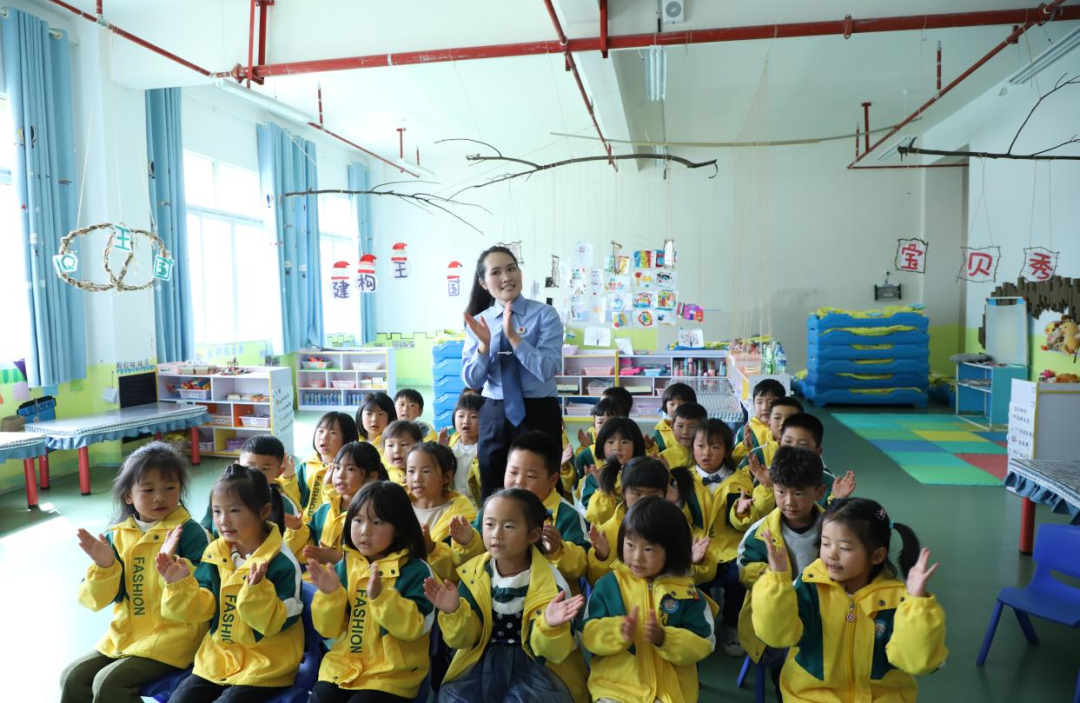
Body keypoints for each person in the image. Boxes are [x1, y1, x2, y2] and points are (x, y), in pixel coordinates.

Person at [753, 497, 947, 702]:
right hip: (810, 696)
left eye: (844, 548)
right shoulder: (810, 586)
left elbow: (917, 662)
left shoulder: (897, 600)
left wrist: (918, 605)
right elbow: (776, 635)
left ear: (877, 556)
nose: (831, 555)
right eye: (825, 543)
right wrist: (776, 583)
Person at [61, 443, 209, 703]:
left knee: (109, 683)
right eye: (148, 490)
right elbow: (93, 601)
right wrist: (105, 567)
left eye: (170, 488)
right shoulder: (115, 536)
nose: (160, 497)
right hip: (126, 636)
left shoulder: (189, 532)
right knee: (73, 677)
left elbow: (206, 598)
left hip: (176, 638)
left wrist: (180, 577)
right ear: (128, 496)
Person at [424, 488, 589, 703]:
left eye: (509, 526)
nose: (496, 534)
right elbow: (465, 640)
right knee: (454, 698)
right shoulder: (473, 575)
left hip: (538, 668)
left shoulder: (550, 583)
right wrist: (454, 611)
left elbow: (553, 653)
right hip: (481, 662)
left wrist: (550, 626)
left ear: (533, 535)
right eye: (489, 524)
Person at [157, 466, 304, 702]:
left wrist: (257, 594)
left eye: (234, 510)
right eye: (217, 511)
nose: (223, 521)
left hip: (266, 663)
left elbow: (277, 623)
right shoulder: (216, 553)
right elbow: (204, 609)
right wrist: (179, 585)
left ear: (265, 511)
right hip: (219, 656)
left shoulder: (282, 562)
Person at [307, 482, 435, 703]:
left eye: (377, 522)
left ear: (399, 528)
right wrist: (330, 595)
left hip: (391, 675)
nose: (365, 531)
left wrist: (381, 598)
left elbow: (416, 628)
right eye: (357, 520)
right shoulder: (344, 566)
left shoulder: (417, 571)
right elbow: (328, 631)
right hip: (342, 667)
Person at [582, 497, 717, 703]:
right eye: (630, 544)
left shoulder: (687, 593)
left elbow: (703, 642)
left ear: (671, 551)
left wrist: (664, 638)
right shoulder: (608, 586)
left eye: (648, 549)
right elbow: (588, 635)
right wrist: (617, 631)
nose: (637, 557)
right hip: (615, 687)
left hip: (670, 692)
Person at [462, 246, 564, 499]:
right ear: (483, 282)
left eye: (511, 269)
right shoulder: (480, 321)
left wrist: (514, 338)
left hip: (538, 411)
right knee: (493, 485)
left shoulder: (545, 315)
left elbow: (548, 369)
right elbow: (472, 380)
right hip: (495, 413)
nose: (506, 277)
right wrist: (484, 346)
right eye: (496, 272)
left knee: (540, 488)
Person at [450, 431, 589, 595]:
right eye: (513, 472)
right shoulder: (491, 510)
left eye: (530, 476)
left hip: (549, 600)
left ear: (552, 480)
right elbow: (476, 560)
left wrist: (558, 550)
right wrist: (468, 542)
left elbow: (582, 566)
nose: (519, 482)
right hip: (495, 596)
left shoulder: (567, 515)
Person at [736, 446, 830, 673]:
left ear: (819, 493)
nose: (789, 502)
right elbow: (744, 570)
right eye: (781, 492)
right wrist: (771, 575)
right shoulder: (761, 532)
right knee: (781, 661)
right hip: (777, 610)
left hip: (822, 611)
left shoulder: (832, 529)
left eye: (798, 494)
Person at [687, 419, 753, 656]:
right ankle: (698, 625)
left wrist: (740, 513)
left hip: (730, 547)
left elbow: (741, 523)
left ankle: (731, 623)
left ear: (726, 450)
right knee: (693, 581)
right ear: (692, 447)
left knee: (739, 579)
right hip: (695, 545)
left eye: (715, 447)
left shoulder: (740, 481)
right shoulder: (683, 480)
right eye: (700, 446)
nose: (706, 453)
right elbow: (682, 520)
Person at [290, 441, 384, 568]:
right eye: (337, 468)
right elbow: (303, 554)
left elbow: (376, 565)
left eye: (350, 469)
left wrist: (337, 559)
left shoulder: (375, 516)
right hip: (318, 576)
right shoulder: (324, 510)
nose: (340, 475)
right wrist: (296, 529)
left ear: (371, 477)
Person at [585, 458, 670, 584]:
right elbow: (595, 581)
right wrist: (602, 557)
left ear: (665, 493)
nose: (644, 501)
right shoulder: (605, 533)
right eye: (637, 494)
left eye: (653, 495)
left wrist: (695, 562)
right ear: (623, 492)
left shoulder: (672, 525)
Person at [406, 441, 477, 583]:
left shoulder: (461, 517)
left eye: (426, 471)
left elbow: (461, 570)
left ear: (447, 477)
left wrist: (432, 549)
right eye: (411, 471)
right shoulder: (399, 508)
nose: (417, 478)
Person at [289, 411, 359, 522]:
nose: (324, 437)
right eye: (320, 431)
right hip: (304, 525)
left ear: (347, 438)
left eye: (333, 433)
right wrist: (288, 478)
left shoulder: (351, 470)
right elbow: (292, 499)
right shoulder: (305, 466)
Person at [580, 418, 648, 527]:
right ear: (602, 446)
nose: (617, 448)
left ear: (636, 445)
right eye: (611, 442)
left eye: (624, 442)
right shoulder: (593, 479)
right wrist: (603, 489)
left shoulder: (644, 474)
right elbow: (594, 519)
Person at [438, 392, 485, 506]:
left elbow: (485, 482)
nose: (466, 421)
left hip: (476, 504)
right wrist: (441, 451)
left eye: (473, 416)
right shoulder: (451, 444)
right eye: (461, 416)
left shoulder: (486, 447)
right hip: (451, 502)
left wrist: (478, 460)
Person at [737, 396, 803, 470]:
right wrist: (745, 447)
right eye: (777, 418)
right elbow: (739, 474)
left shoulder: (806, 454)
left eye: (790, 418)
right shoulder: (758, 453)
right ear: (769, 424)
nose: (783, 423)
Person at [733, 379, 785, 464]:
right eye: (759, 402)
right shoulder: (746, 431)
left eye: (771, 402)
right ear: (753, 404)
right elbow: (734, 461)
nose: (764, 407)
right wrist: (745, 446)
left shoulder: (786, 429)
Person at [659, 401, 707, 470]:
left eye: (692, 427)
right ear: (672, 427)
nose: (685, 432)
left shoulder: (708, 455)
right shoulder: (664, 457)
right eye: (680, 426)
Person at [653, 382, 697, 452]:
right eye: (672, 404)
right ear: (665, 406)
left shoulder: (699, 428)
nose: (676, 408)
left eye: (682, 404)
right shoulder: (659, 432)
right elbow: (653, 455)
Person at [381, 420, 423, 486]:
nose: (396, 450)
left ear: (418, 446)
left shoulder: (425, 470)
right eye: (390, 445)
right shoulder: (382, 474)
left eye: (404, 444)